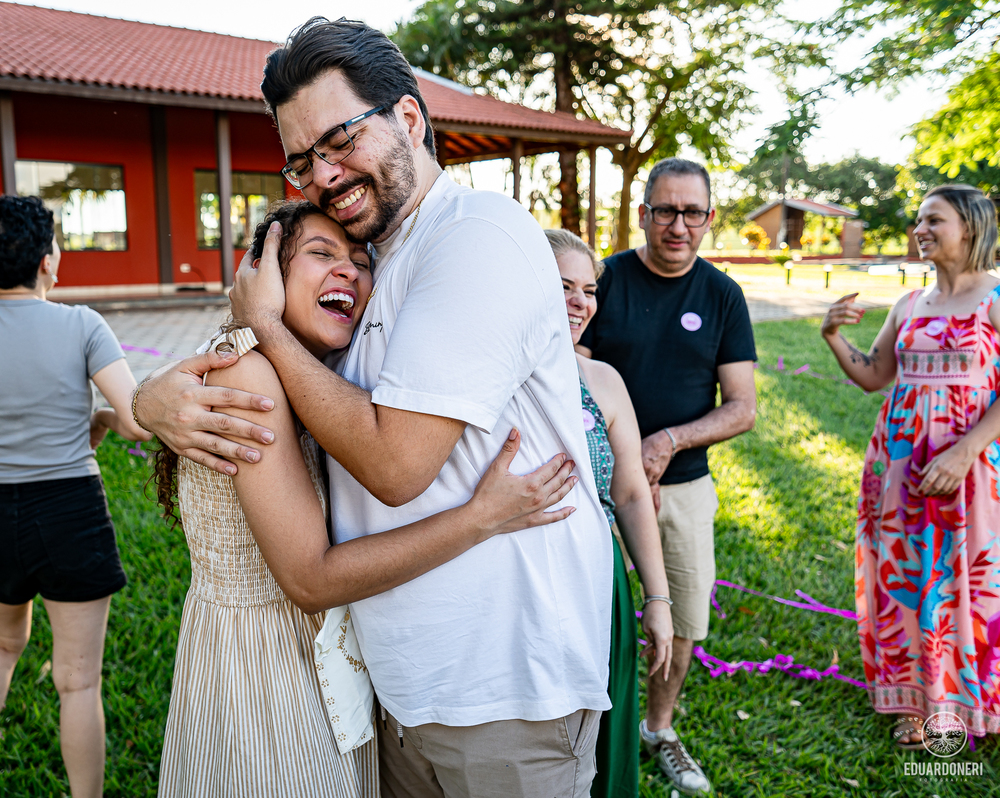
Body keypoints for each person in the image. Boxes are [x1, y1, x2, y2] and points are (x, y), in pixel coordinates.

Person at [136, 17, 614, 797]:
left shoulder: (475, 237)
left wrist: (259, 330)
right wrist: (151, 402)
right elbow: (260, 392)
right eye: (300, 163)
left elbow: (395, 465)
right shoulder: (378, 258)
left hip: (499, 689)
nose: (322, 174)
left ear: (408, 118)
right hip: (391, 688)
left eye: (338, 141)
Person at [153, 200, 578, 797]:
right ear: (263, 273)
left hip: (313, 652)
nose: (350, 272)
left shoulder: (307, 368)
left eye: (360, 260)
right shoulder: (248, 373)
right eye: (321, 254)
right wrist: (479, 518)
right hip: (266, 661)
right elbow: (310, 580)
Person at [0, 195, 151, 798]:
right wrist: (96, 418)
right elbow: (139, 421)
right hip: (70, 510)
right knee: (77, 682)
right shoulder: (81, 325)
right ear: (48, 259)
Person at [576, 158, 757, 795]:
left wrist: (666, 443)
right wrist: (628, 460)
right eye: (664, 211)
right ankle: (587, 725)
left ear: (709, 217)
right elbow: (575, 377)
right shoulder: (604, 281)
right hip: (593, 486)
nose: (677, 225)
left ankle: (659, 727)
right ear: (644, 211)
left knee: (678, 619)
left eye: (692, 212)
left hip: (682, 489)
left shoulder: (721, 295)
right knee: (584, 612)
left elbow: (742, 406)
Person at [821, 184, 1000, 745]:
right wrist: (831, 335)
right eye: (919, 221)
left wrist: (965, 448)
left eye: (934, 220)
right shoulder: (909, 305)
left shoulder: (996, 299)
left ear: (968, 227)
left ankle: (976, 703)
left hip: (972, 470)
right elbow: (876, 374)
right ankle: (921, 702)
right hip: (899, 469)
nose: (920, 229)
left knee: (971, 582)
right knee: (907, 579)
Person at [547, 229, 674, 798]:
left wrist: (658, 598)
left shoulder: (602, 380)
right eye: (562, 286)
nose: (580, 303)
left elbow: (628, 494)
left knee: (604, 731)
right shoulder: (487, 371)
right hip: (519, 589)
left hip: (600, 587)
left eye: (589, 290)